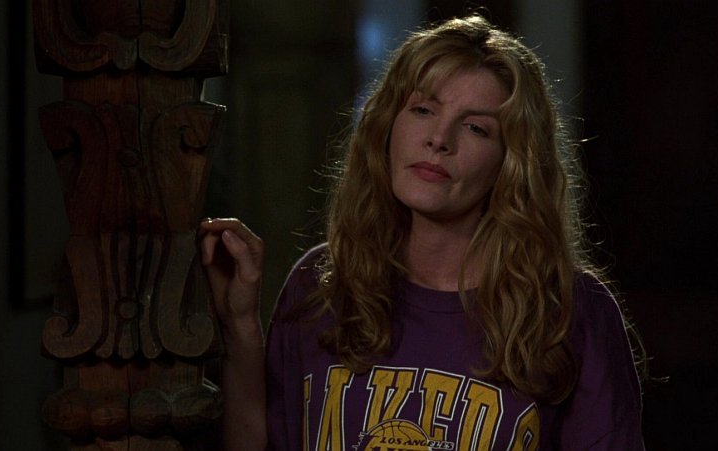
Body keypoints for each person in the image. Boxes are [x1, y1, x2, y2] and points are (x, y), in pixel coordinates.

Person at [200, 14, 645, 451]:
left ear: (511, 162)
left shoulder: (569, 309)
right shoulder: (322, 284)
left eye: (476, 127)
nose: (439, 139)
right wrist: (239, 325)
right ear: (388, 125)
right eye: (423, 109)